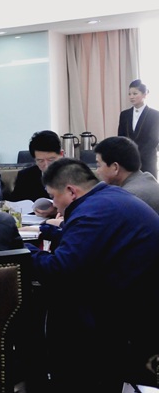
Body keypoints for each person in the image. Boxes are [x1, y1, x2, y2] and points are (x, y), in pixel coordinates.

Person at [27, 159, 159, 391]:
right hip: (138, 295)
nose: (54, 205)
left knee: (54, 305)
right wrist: (49, 231)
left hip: (127, 314)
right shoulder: (109, 198)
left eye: (53, 196)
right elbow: (91, 242)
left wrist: (23, 250)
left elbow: (59, 269)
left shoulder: (91, 212)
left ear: (71, 191)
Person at [94, 136, 159, 213]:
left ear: (115, 167)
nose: (97, 171)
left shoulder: (125, 198)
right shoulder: (147, 179)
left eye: (98, 165)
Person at [8, 130, 62, 217]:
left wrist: (58, 211)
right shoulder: (25, 176)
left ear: (61, 154)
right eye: (40, 161)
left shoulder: (74, 174)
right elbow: (15, 205)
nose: (46, 165)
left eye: (51, 160)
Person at [118, 79, 159, 177]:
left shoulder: (155, 114)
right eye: (129, 94)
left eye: (135, 93)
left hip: (147, 161)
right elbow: (121, 137)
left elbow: (153, 140)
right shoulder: (124, 114)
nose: (131, 97)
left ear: (144, 94)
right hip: (128, 161)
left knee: (148, 185)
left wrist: (137, 156)